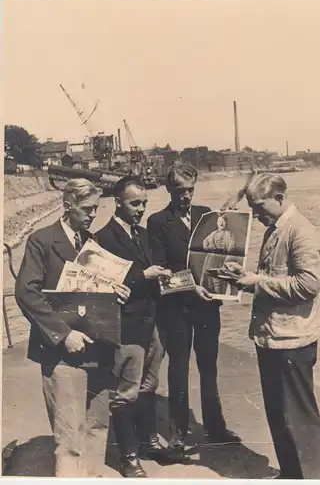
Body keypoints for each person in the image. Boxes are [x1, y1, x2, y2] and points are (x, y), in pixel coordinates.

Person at [15, 178, 130, 478]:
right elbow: (26, 292)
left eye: (96, 208)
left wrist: (116, 292)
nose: (93, 215)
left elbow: (94, 289)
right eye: (88, 209)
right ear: (68, 206)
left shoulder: (90, 241)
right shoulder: (42, 240)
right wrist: (63, 334)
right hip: (62, 353)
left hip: (96, 347)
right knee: (69, 438)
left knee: (96, 427)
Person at [225, 172, 320, 479]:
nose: (255, 215)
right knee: (279, 413)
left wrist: (256, 282)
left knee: (299, 416)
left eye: (259, 207)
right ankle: (291, 473)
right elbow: (274, 276)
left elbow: (309, 285)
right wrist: (244, 276)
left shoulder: (301, 232)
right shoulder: (276, 228)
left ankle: (314, 477)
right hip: (273, 336)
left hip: (293, 340)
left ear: (280, 198)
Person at [147, 164, 241, 454]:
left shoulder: (205, 215)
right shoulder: (157, 221)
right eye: (179, 191)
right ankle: (178, 431)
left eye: (190, 190)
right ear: (168, 190)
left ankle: (215, 425)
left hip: (207, 306)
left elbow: (221, 251)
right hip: (175, 307)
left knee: (209, 367)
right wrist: (191, 287)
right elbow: (162, 271)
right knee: (178, 368)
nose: (186, 197)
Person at [96, 175, 181, 478]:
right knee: (126, 392)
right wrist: (142, 277)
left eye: (144, 203)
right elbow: (101, 285)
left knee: (149, 385)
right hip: (126, 326)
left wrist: (166, 276)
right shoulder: (102, 239)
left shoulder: (144, 235)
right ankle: (128, 455)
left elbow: (153, 270)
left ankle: (148, 442)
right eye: (135, 203)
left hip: (151, 322)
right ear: (117, 202)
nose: (141, 208)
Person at [200, 213, 237, 294]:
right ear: (217, 222)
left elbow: (232, 245)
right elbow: (205, 241)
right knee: (208, 278)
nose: (221, 223)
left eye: (223, 221)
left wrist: (226, 254)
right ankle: (208, 294)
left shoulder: (229, 234)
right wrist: (207, 248)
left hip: (220, 259)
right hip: (210, 258)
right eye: (219, 221)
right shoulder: (213, 233)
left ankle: (217, 297)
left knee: (217, 280)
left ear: (226, 223)